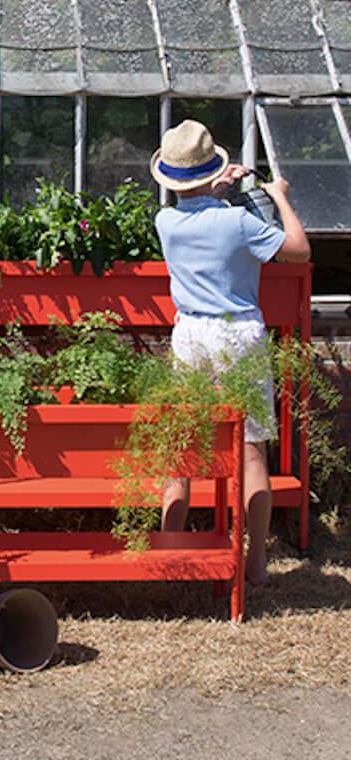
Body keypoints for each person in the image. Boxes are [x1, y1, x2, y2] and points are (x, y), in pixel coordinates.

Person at [149, 119, 310, 587]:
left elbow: (200, 211)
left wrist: (216, 188)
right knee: (251, 449)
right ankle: (256, 561)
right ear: (213, 172)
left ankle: (170, 554)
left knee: (182, 449)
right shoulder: (239, 221)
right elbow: (298, 250)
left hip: (190, 337)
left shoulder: (166, 222)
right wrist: (277, 194)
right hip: (237, 336)